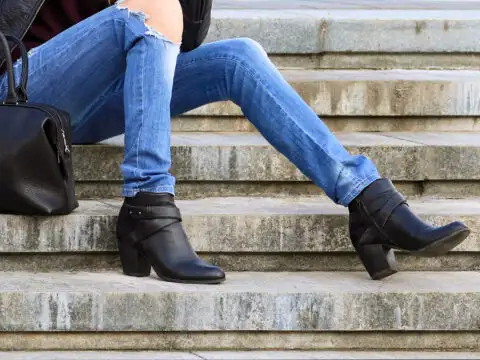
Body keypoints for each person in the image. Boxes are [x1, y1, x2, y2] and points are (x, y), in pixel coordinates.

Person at [0, 0, 470, 284]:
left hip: (84, 104)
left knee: (239, 57)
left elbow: (187, 36)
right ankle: (147, 204)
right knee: (147, 10)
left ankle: (368, 202)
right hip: (18, 95)